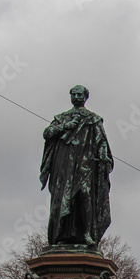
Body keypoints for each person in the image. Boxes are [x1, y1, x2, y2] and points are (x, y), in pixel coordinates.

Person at [40, 85, 113, 248]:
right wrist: (65, 127)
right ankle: (61, 234)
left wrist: (103, 155)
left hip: (85, 164)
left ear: (85, 97)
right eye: (74, 94)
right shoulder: (62, 118)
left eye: (80, 94)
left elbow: (101, 141)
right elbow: (47, 133)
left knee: (85, 195)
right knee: (65, 198)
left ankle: (87, 234)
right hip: (65, 164)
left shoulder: (93, 119)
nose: (77, 97)